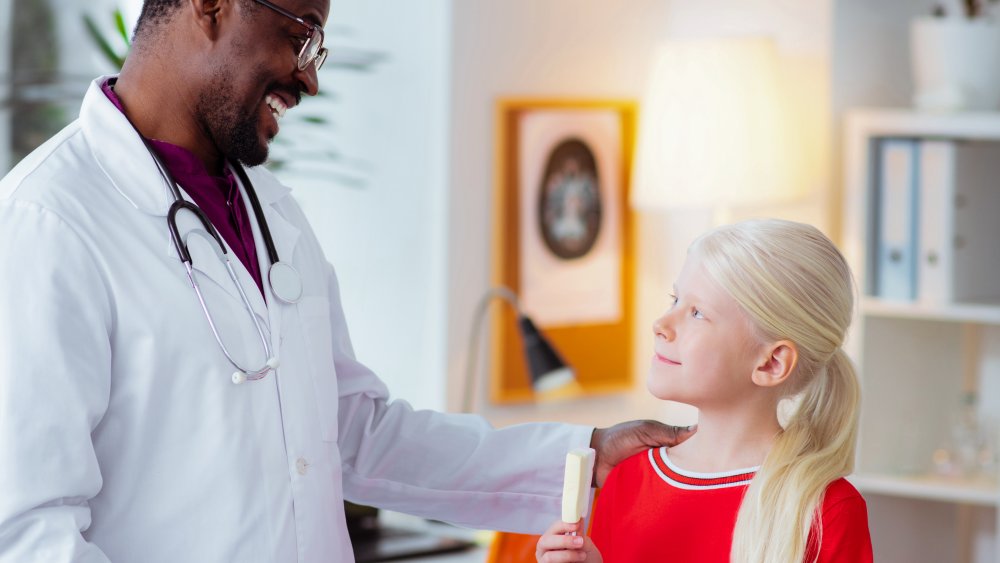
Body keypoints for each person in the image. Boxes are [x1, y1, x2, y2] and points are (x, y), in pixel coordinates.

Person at [0, 1, 694, 561]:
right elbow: (28, 531)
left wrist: (584, 452)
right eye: (300, 36)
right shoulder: (48, 223)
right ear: (210, 7)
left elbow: (352, 433)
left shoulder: (274, 214)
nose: (310, 79)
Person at [536, 219, 873, 563]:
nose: (661, 325)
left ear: (771, 363)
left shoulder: (827, 511)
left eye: (697, 312)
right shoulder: (627, 479)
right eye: (675, 299)